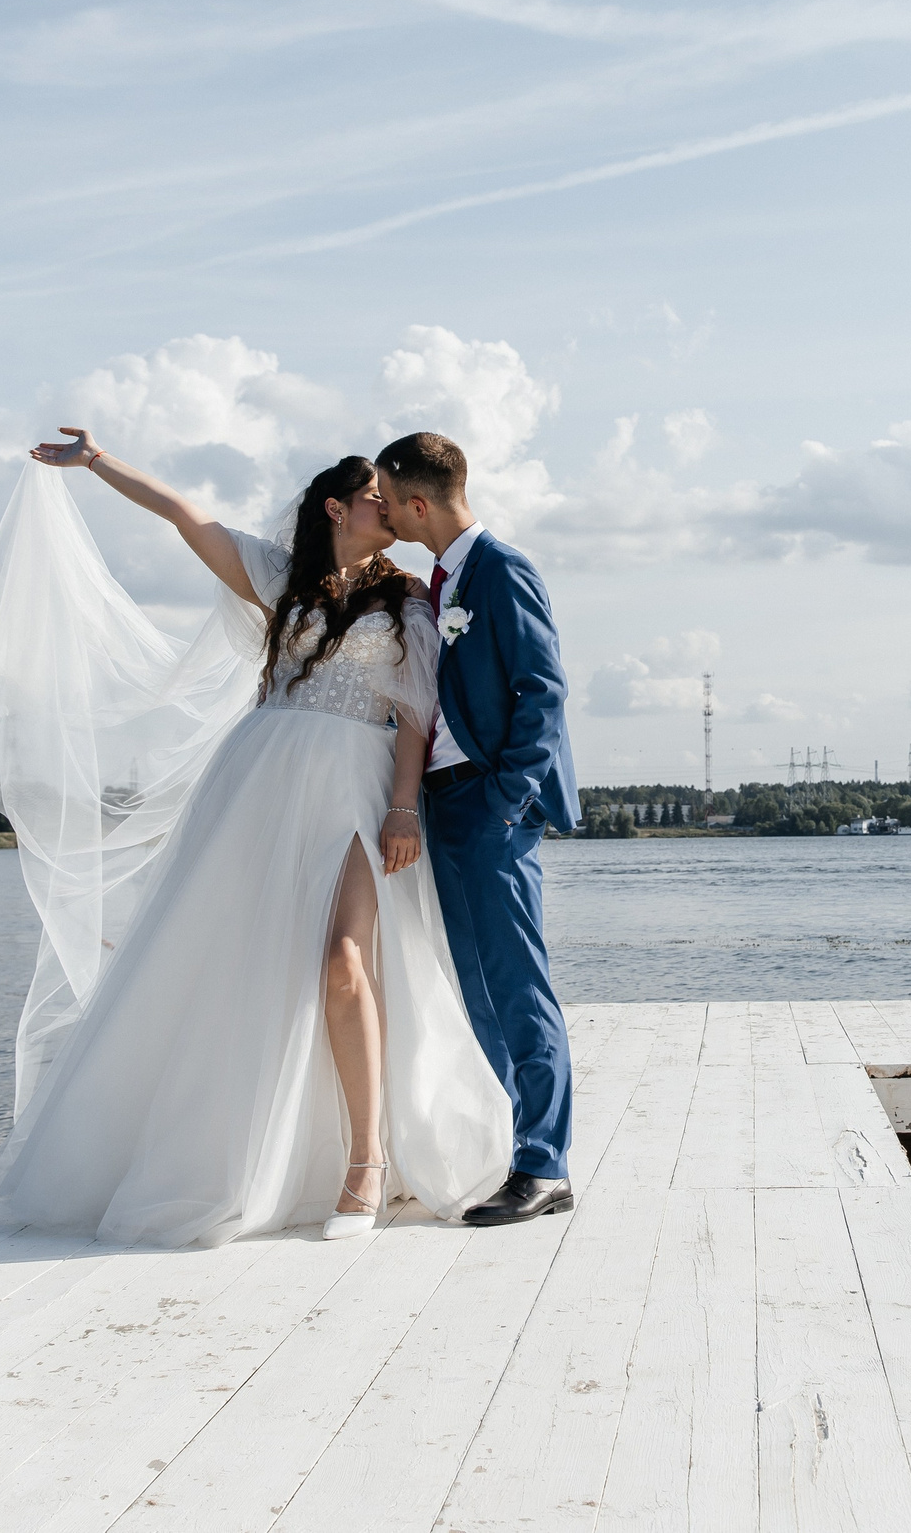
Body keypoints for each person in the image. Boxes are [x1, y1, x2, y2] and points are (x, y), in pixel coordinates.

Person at [0, 432, 513, 1248]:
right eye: (373, 498)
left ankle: (368, 1161)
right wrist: (101, 462)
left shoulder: (409, 602)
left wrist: (400, 810)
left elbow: (413, 720)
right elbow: (186, 515)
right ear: (336, 507)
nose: (386, 507)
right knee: (242, 965)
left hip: (354, 791)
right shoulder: (282, 578)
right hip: (259, 784)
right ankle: (239, 1152)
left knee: (343, 964)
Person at [374, 432, 582, 1226]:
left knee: (518, 983)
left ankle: (546, 1164)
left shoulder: (501, 570)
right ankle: (510, 1146)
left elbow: (543, 693)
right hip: (444, 805)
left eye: (390, 502)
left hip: (491, 807)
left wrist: (506, 799)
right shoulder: (436, 581)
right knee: (476, 989)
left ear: (419, 502)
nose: (386, 514)